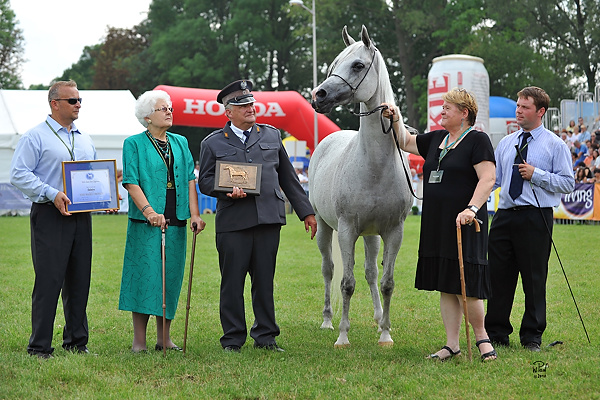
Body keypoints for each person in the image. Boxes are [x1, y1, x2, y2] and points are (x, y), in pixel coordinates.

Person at [198, 80, 317, 353]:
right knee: (232, 283)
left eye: (251, 103)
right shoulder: (213, 143)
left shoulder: (272, 135)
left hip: (268, 219)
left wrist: (306, 212)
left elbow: (288, 178)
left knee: (264, 281)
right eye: (243, 105)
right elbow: (204, 181)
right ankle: (232, 339)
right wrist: (227, 190)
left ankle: (266, 337)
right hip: (233, 222)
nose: (251, 108)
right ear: (228, 112)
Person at [382, 87, 497, 362]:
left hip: (466, 222)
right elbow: (405, 141)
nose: (441, 112)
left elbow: (488, 179)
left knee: (465, 283)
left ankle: (482, 339)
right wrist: (395, 116)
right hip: (437, 222)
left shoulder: (477, 140)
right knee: (447, 283)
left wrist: (471, 208)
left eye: (447, 108)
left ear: (464, 113)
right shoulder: (436, 139)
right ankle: (452, 344)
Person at [9, 80, 97, 359]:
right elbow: (19, 174)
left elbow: (93, 173)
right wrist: (51, 193)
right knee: (49, 280)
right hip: (49, 214)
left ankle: (76, 342)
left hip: (81, 215)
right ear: (55, 103)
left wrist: (105, 197)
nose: (78, 104)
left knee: (80, 280)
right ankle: (39, 346)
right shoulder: (34, 137)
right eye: (72, 101)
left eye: (80, 100)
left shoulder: (84, 138)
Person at [485, 86, 574, 352]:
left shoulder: (555, 144)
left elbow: (568, 182)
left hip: (536, 218)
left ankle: (532, 336)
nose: (518, 111)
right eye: (518, 106)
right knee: (498, 277)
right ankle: (496, 332)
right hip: (503, 217)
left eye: (525, 107)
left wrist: (537, 174)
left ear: (540, 111)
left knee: (534, 279)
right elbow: (496, 180)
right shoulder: (506, 142)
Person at [118, 90, 206, 353]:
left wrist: (194, 214)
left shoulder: (180, 142)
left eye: (170, 108)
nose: (169, 112)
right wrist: (149, 212)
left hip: (176, 219)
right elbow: (130, 181)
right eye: (162, 109)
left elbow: (190, 179)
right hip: (146, 223)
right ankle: (139, 341)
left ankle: (164, 338)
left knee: (171, 278)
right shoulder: (133, 144)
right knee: (145, 278)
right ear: (147, 117)